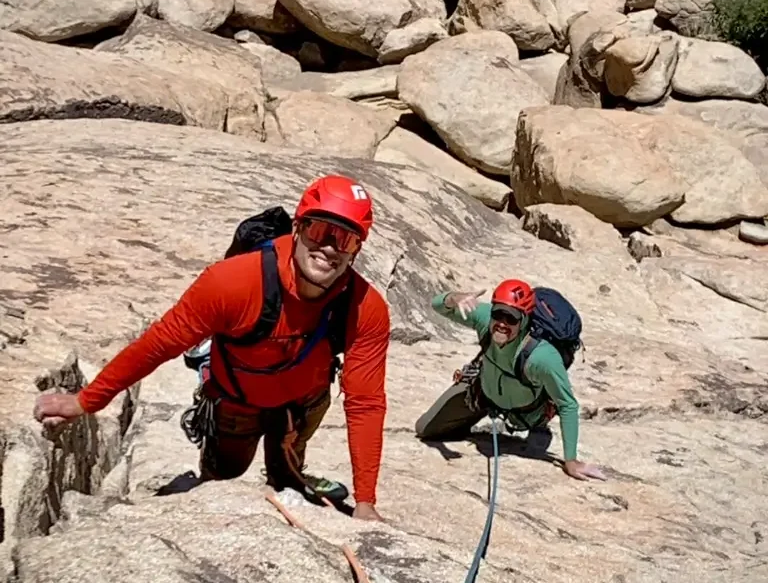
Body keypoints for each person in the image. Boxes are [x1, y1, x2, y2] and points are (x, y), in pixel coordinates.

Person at [33, 175, 390, 520]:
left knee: (287, 475)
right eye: (320, 230)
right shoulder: (232, 284)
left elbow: (365, 402)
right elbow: (159, 344)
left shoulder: (365, 309)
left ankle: (289, 478)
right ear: (297, 228)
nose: (329, 248)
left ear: (356, 251)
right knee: (221, 482)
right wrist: (87, 401)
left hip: (302, 404)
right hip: (236, 400)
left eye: (345, 239)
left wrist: (365, 501)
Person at [415, 281, 604, 482]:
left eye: (512, 318)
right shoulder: (485, 319)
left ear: (524, 320)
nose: (502, 323)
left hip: (526, 413)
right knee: (425, 429)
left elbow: (567, 404)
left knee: (535, 415)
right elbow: (436, 305)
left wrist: (571, 461)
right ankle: (469, 418)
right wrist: (454, 298)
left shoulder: (542, 358)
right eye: (498, 314)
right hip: (482, 395)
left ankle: (538, 420)